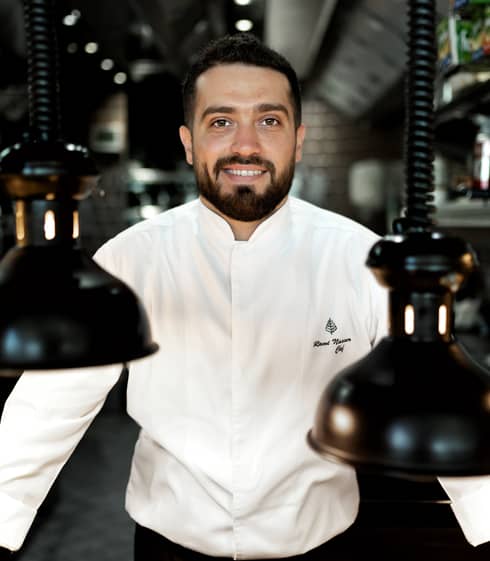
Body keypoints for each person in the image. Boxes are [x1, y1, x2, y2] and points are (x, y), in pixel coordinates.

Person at [0, 32, 488, 560]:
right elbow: (47, 411)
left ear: (298, 139)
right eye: (221, 121)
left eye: (269, 120)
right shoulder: (129, 259)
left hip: (321, 550)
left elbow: (434, 390)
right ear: (188, 141)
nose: (246, 145)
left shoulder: (363, 259)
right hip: (171, 550)